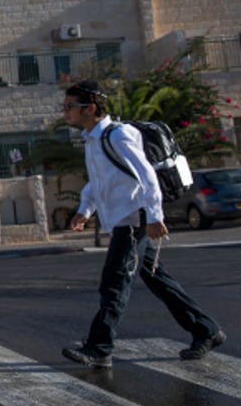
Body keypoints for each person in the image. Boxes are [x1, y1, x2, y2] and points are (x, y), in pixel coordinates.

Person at [61, 80, 225, 368]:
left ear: (91, 108)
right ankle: (205, 330)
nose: (65, 112)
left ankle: (100, 348)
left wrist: (154, 217)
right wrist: (84, 210)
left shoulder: (119, 135)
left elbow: (148, 177)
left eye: (70, 106)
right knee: (157, 279)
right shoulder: (93, 140)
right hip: (125, 221)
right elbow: (98, 182)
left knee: (114, 284)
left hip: (133, 221)